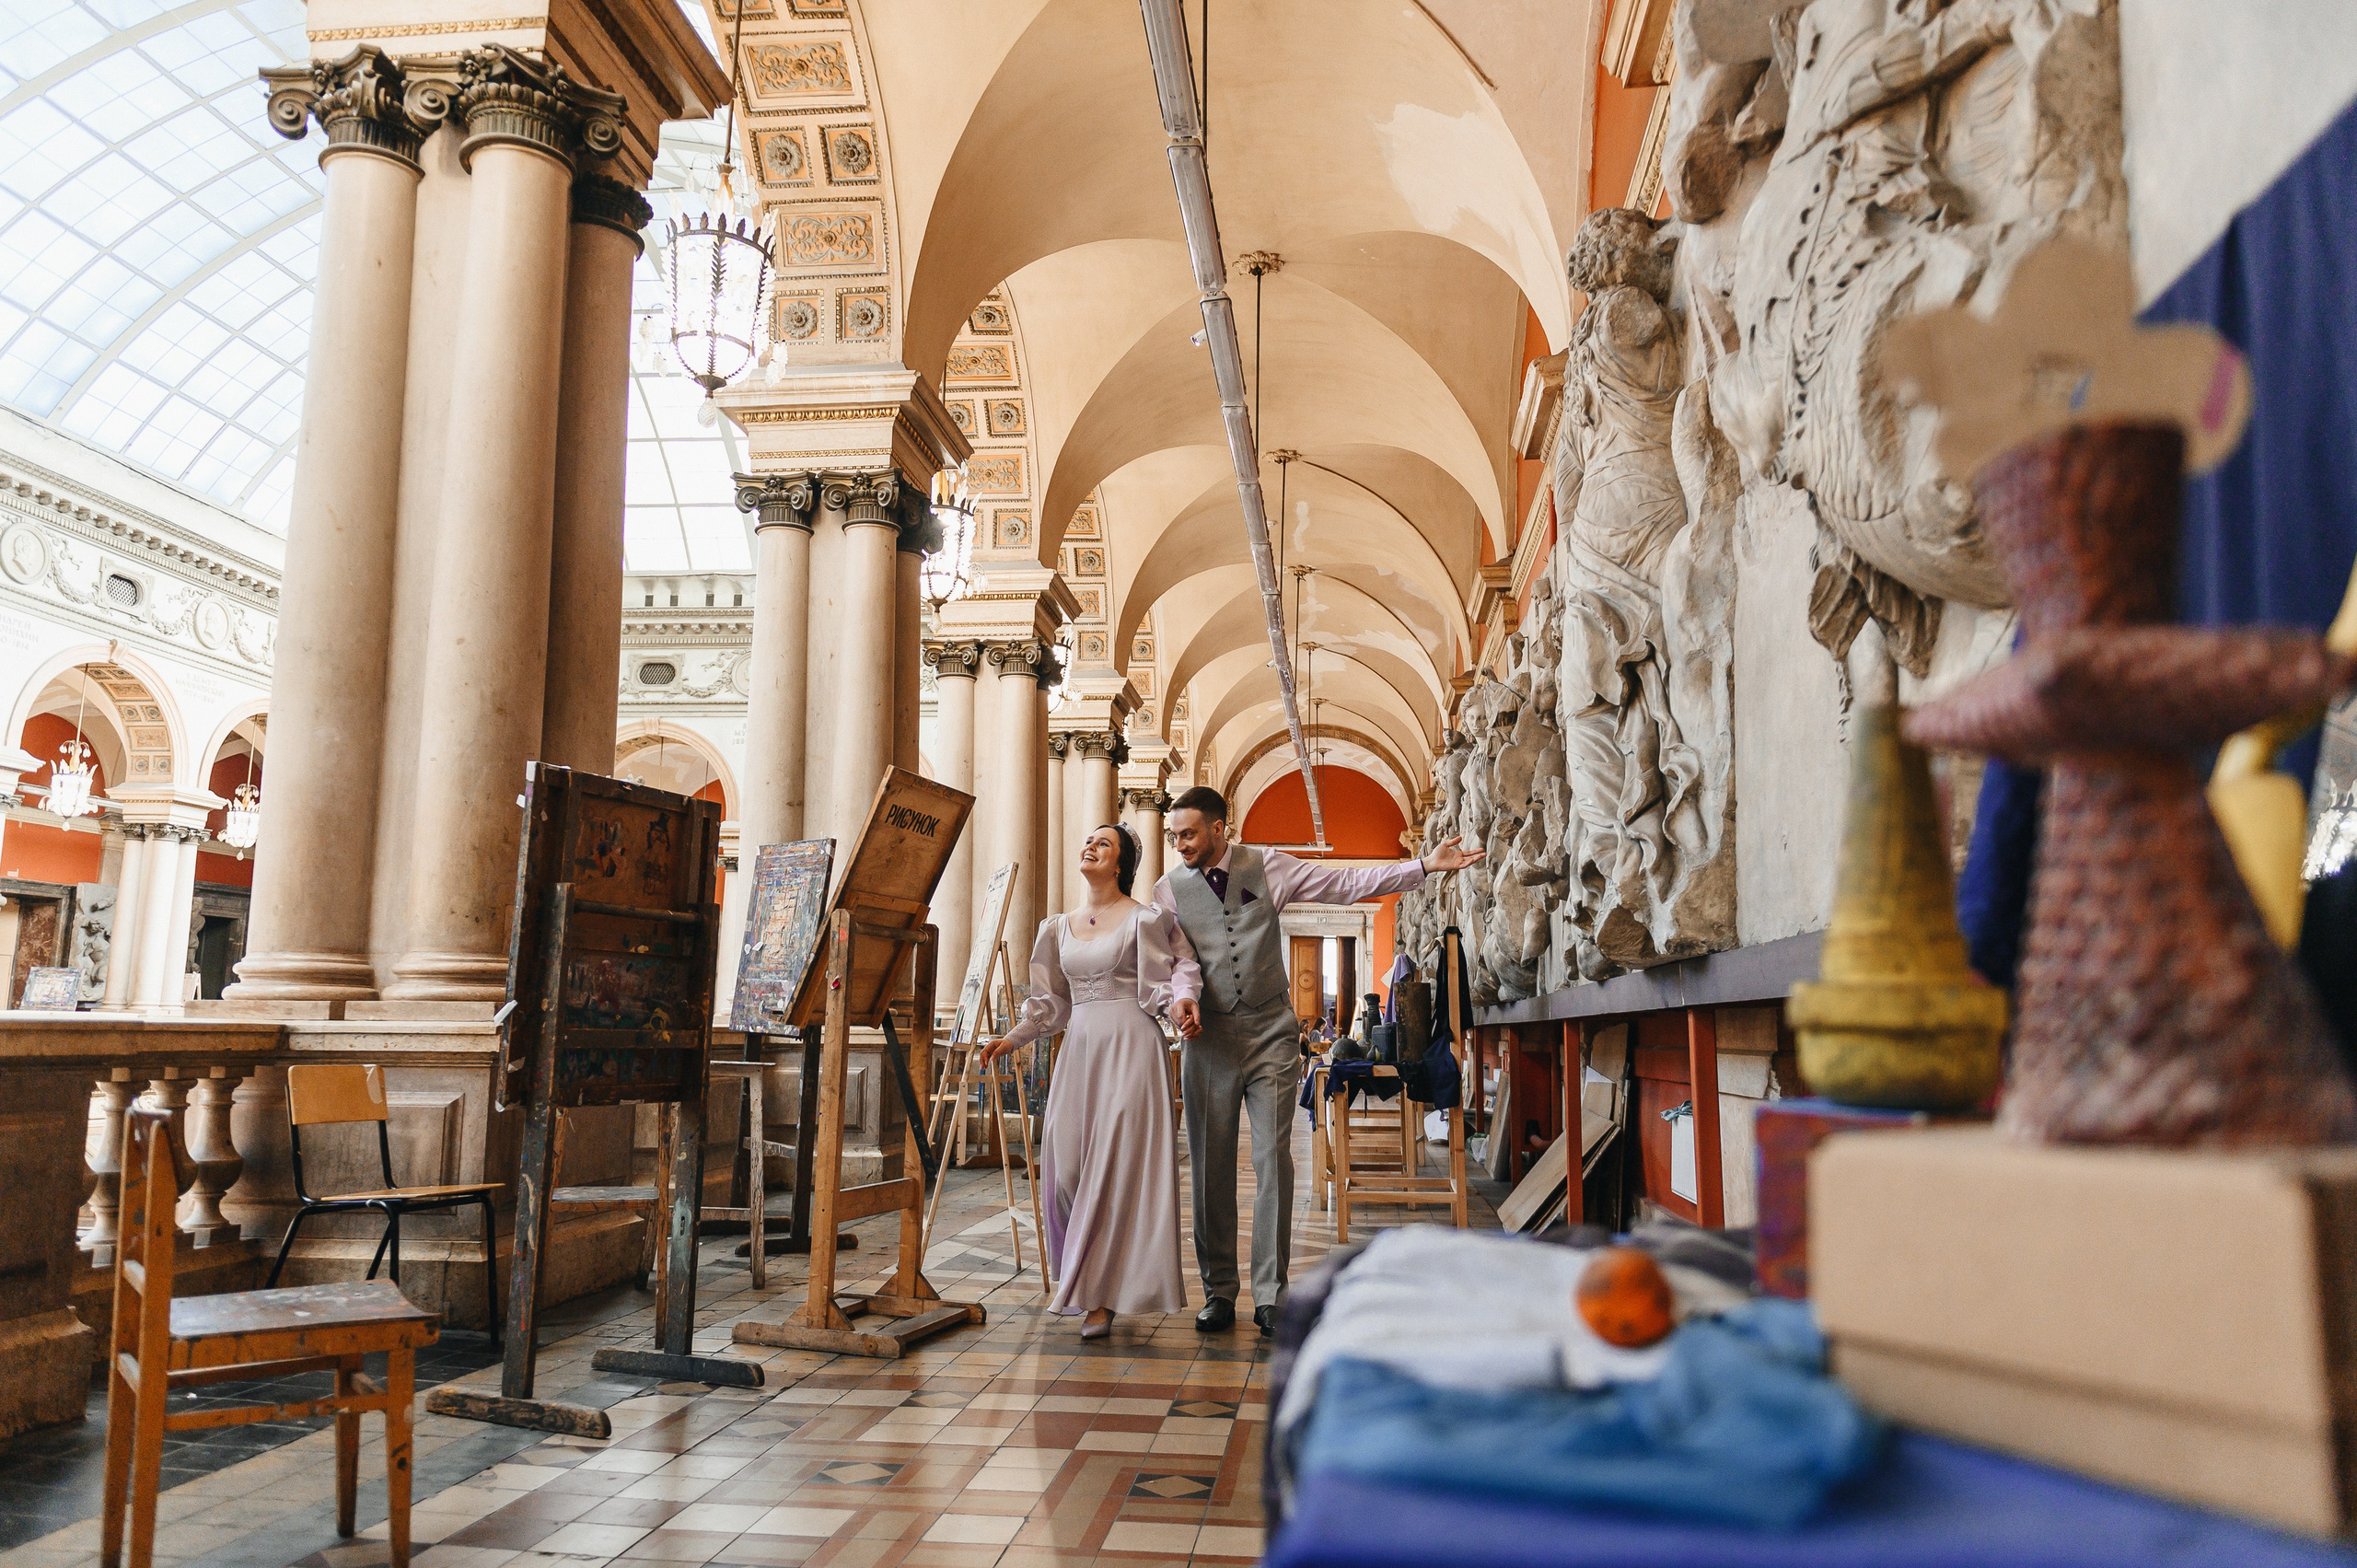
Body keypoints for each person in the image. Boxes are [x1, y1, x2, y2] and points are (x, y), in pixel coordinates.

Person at [1157, 785, 1485, 1336]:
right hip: (1208, 1039)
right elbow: (1177, 960)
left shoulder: (1270, 867)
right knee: (1210, 1167)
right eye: (1174, 836)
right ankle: (1219, 1291)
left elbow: (1345, 883)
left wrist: (1423, 866)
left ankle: (1270, 1294)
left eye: (1188, 834)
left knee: (1273, 1159)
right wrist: (1180, 999)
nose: (1180, 845)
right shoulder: (1168, 890)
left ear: (1218, 828)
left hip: (1270, 1032)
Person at [982, 824, 1193, 1340]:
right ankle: (1089, 1277)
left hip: (1132, 1047)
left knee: (1115, 1170)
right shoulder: (1057, 927)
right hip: (1079, 1050)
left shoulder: (1146, 919)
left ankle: (1100, 1296)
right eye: (1089, 841)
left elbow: (1164, 985)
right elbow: (1050, 1004)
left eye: (1104, 844)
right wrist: (1013, 1038)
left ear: (1120, 864)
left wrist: (1180, 1007)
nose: (1090, 847)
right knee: (1065, 1166)